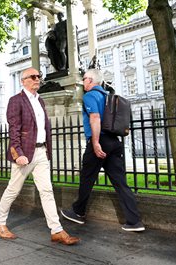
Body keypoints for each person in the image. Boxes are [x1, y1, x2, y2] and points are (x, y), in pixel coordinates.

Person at [0, 67, 80, 246]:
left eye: (39, 76)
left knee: (47, 190)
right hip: (25, 154)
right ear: (23, 80)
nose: (37, 79)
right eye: (33, 77)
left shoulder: (40, 100)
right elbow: (14, 129)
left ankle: (56, 230)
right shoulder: (16, 101)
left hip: (41, 152)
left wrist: (47, 150)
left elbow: (43, 128)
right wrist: (18, 154)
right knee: (13, 189)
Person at [61, 69, 145, 232]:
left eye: (84, 78)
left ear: (91, 80)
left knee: (87, 177)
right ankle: (134, 221)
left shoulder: (90, 95)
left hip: (100, 140)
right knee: (120, 182)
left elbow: (95, 118)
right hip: (114, 142)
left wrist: (96, 142)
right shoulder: (107, 95)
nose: (82, 81)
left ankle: (78, 212)